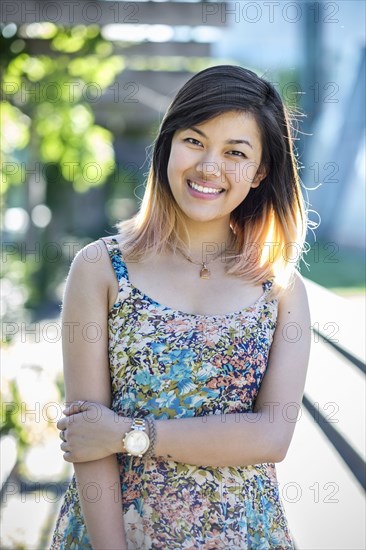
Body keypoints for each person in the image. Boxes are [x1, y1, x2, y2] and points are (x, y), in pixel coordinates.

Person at [51, 65, 311, 549]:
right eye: (195, 140)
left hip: (242, 535)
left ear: (259, 173)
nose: (210, 167)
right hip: (115, 533)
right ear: (168, 144)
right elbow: (88, 439)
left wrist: (133, 435)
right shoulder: (102, 268)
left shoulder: (278, 288)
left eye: (235, 152)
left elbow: (271, 437)